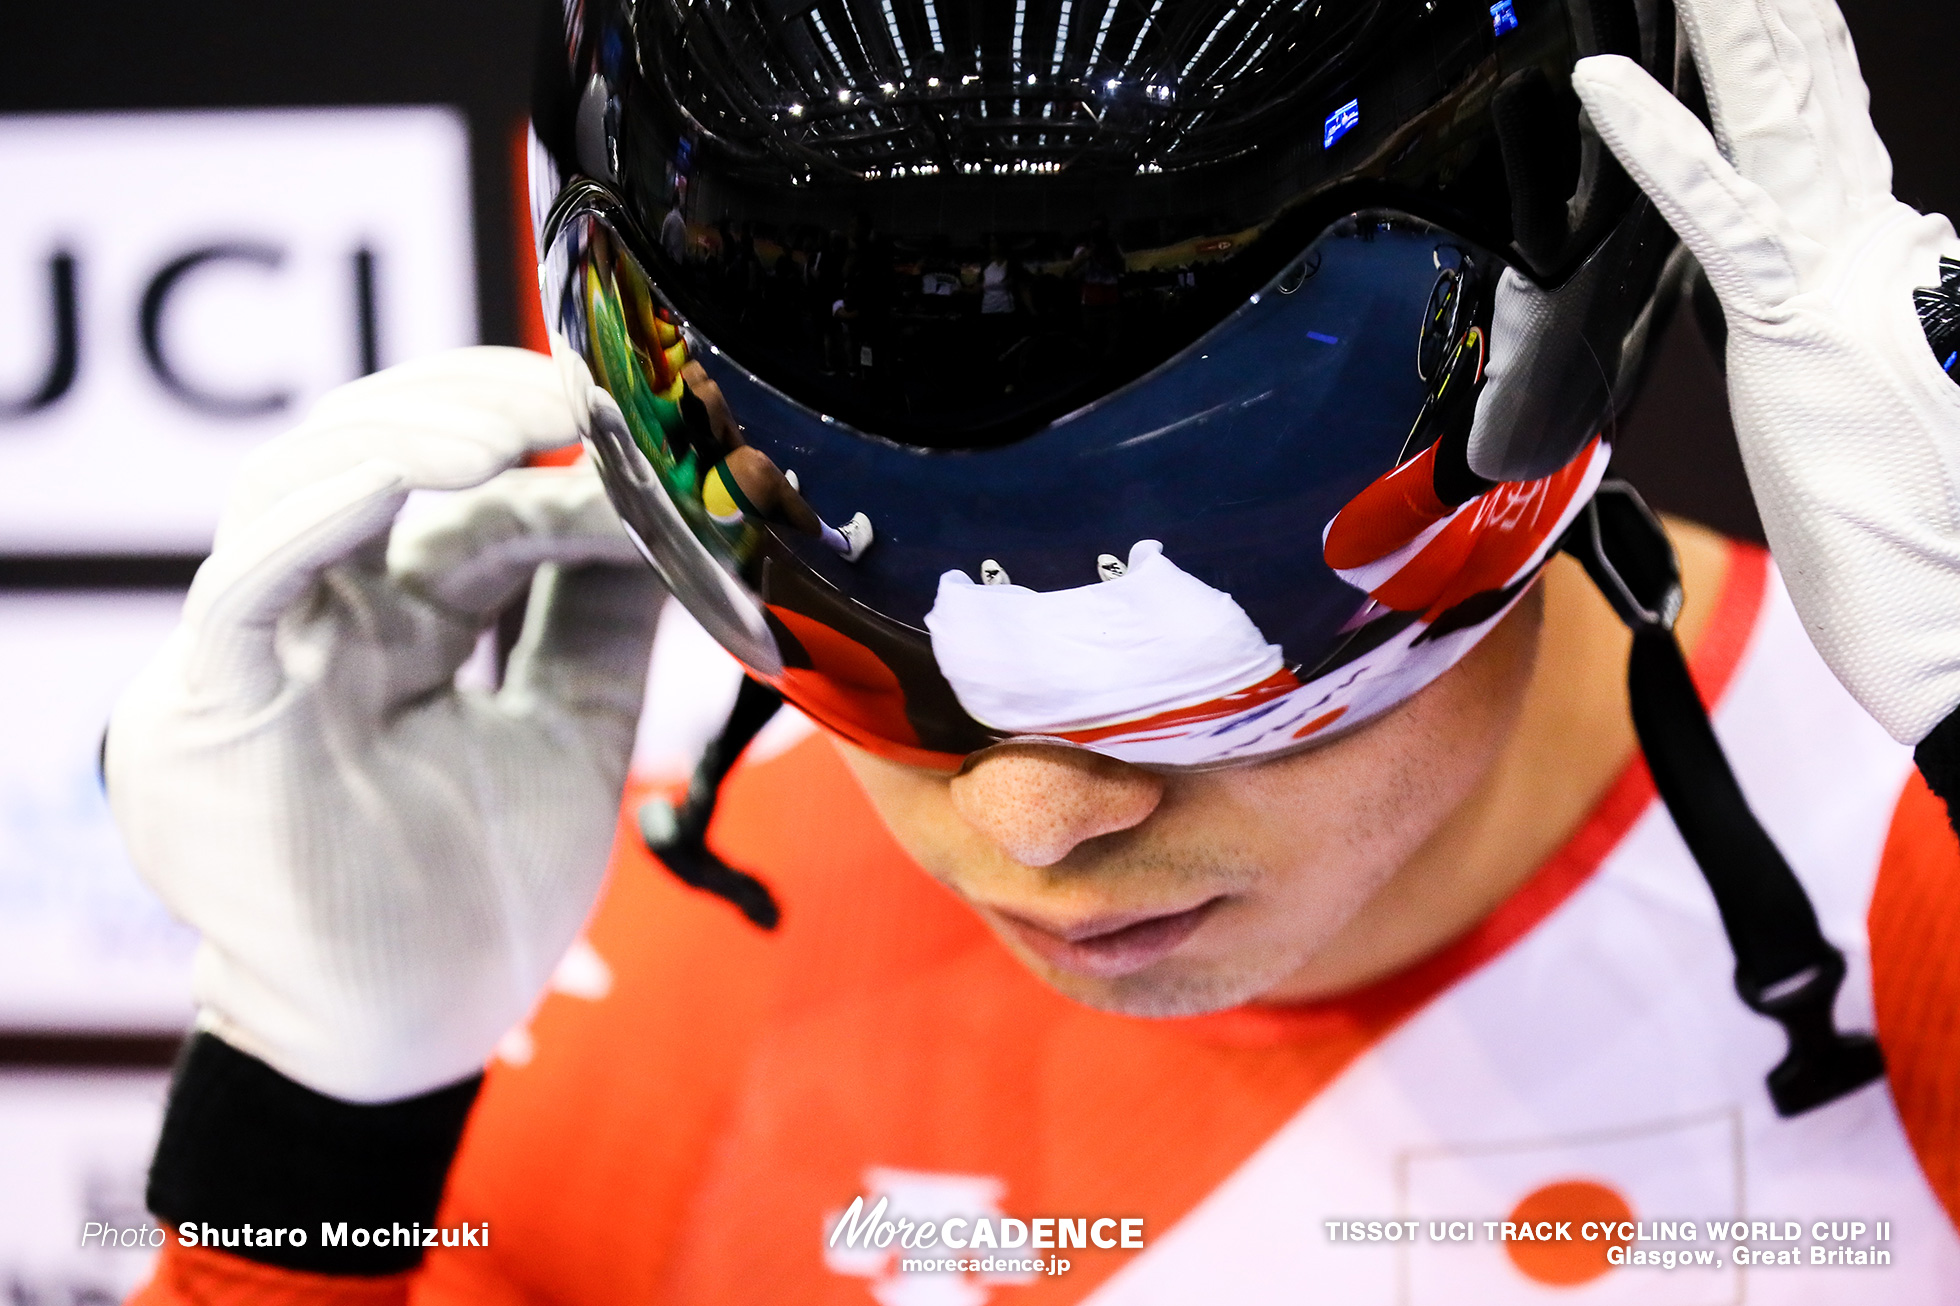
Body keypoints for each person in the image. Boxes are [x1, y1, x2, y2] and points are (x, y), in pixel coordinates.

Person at [109, 1, 1960, 1304]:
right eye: (851, 599)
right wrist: (317, 1137)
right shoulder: (567, 985)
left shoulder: (1915, 880)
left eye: (1235, 608)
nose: (1040, 817)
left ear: (1569, 391)